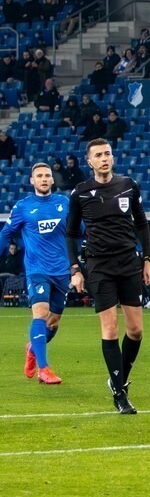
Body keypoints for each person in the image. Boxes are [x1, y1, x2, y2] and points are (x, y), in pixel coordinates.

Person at [66, 139, 150, 414]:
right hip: (99, 266)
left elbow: (141, 223)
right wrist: (75, 269)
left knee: (136, 330)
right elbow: (71, 233)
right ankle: (119, 394)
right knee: (110, 329)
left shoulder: (128, 185)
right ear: (89, 162)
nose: (104, 158)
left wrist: (148, 260)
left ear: (112, 157)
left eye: (107, 153)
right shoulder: (80, 193)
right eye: (98, 155)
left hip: (129, 263)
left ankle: (119, 379)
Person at [0, 163, 69, 385]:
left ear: (52, 179)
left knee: (54, 322)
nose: (44, 179)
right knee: (40, 313)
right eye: (39, 176)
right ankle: (44, 368)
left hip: (62, 271)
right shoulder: (22, 207)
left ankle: (33, 349)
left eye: (47, 175)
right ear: (32, 181)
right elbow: (6, 234)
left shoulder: (64, 204)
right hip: (37, 270)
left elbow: (80, 231)